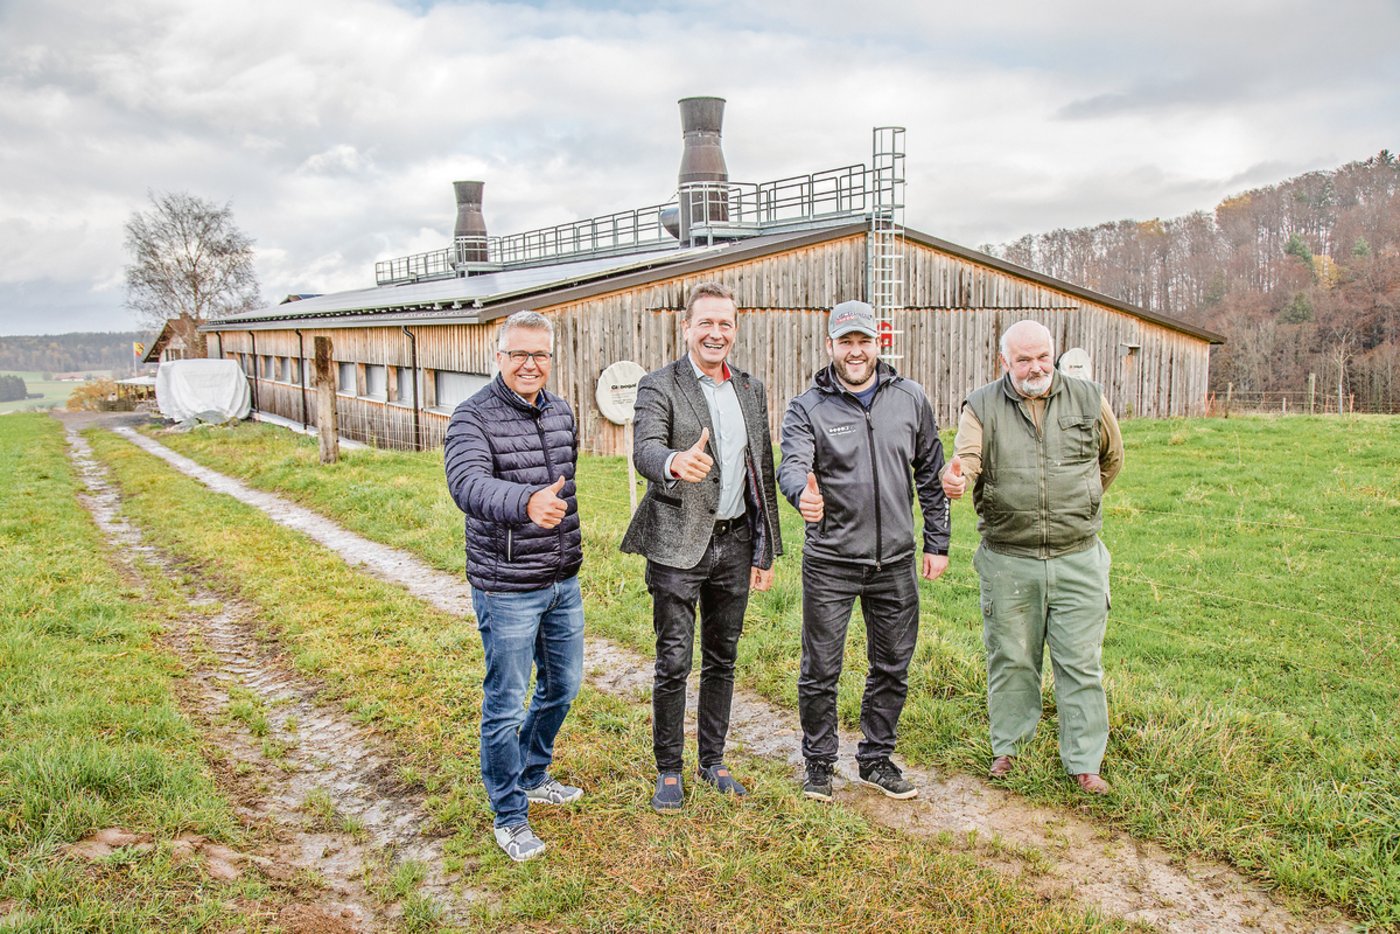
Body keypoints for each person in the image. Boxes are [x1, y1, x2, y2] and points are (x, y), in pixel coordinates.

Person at [941, 320, 1124, 795]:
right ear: (1005, 363)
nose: (1035, 367)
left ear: (1054, 353)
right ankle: (1009, 749)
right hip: (1008, 559)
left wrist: (1081, 502)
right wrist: (957, 478)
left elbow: (1112, 458)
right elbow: (968, 457)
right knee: (1012, 658)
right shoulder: (981, 405)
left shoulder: (1087, 397)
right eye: (1023, 359)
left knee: (1081, 663)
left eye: (1042, 356)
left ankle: (1085, 763)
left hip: (1078, 556)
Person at [778, 300, 950, 803]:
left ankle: (875, 759)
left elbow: (930, 476)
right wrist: (800, 493)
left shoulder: (911, 398)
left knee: (893, 664)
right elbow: (793, 464)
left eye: (864, 341)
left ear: (879, 343)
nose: (855, 351)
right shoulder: (807, 406)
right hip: (831, 561)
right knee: (820, 669)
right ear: (829, 346)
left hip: (894, 561)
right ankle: (819, 763)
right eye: (845, 342)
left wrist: (937, 542)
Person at [622, 281, 783, 812]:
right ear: (686, 328)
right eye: (706, 323)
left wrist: (766, 549)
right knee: (673, 659)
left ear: (735, 331)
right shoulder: (659, 385)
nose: (716, 333)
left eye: (726, 324)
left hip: (735, 542)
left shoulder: (752, 390)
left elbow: (762, 470)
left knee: (723, 657)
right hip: (676, 543)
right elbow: (645, 446)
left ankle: (711, 762)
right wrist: (673, 462)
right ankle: (668, 770)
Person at [444, 310, 586, 861]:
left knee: (563, 687)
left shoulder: (562, 413)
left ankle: (532, 772)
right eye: (518, 354)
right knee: (505, 703)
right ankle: (508, 814)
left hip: (560, 579)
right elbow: (468, 484)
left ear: (551, 358)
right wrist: (525, 504)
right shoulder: (471, 417)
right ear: (498, 356)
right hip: (505, 586)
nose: (530, 364)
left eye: (540, 355)